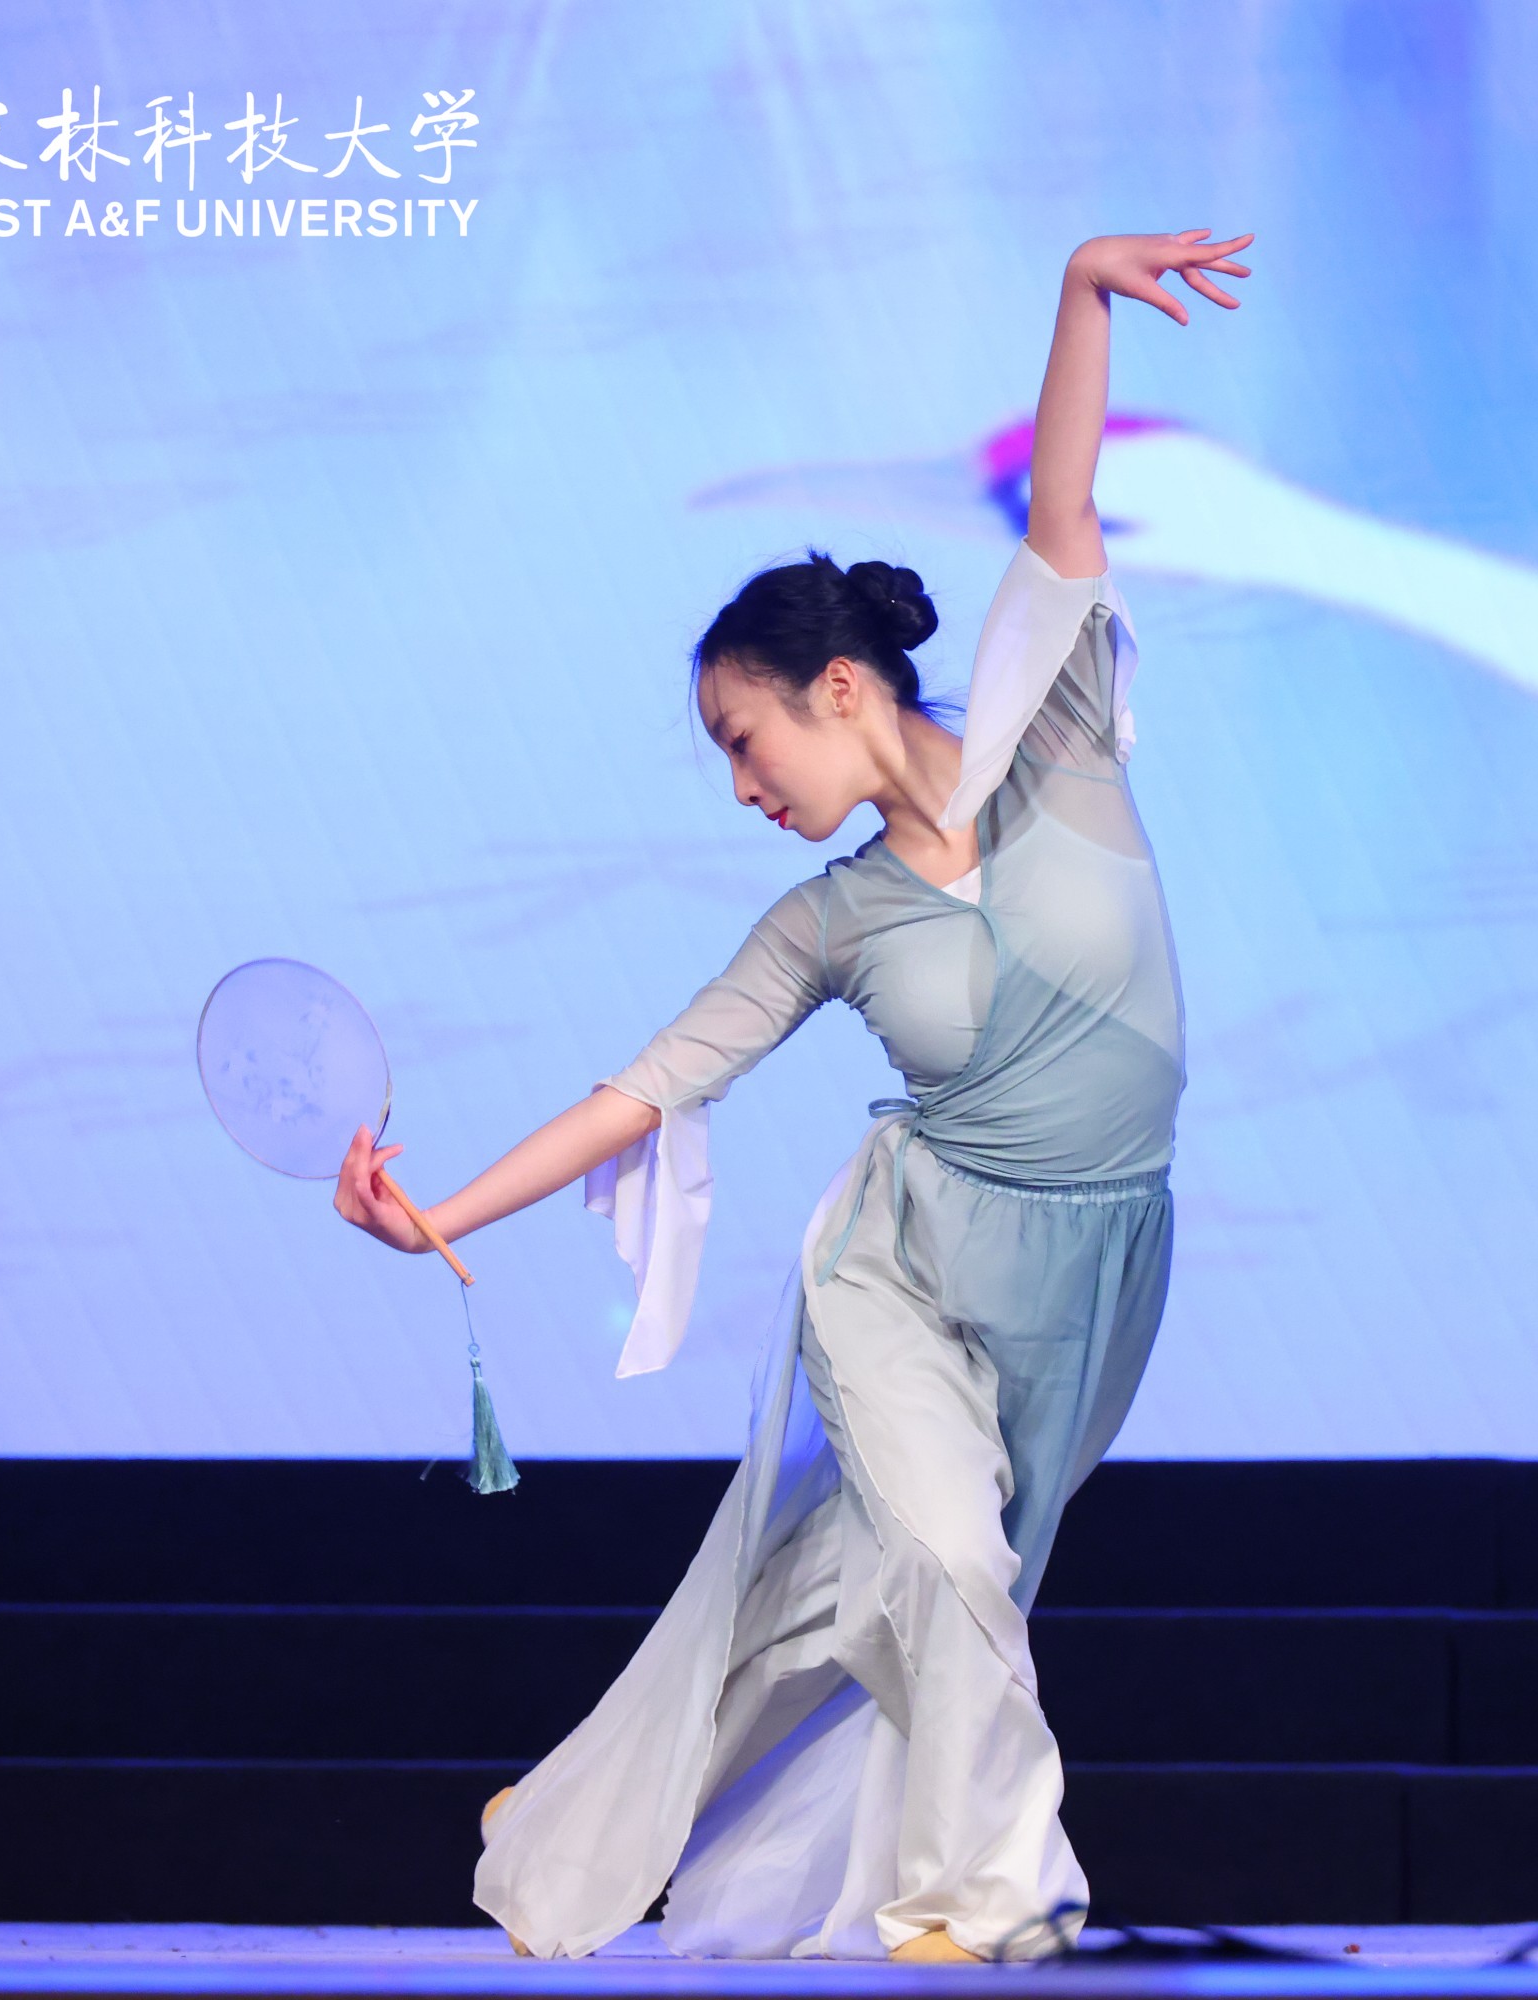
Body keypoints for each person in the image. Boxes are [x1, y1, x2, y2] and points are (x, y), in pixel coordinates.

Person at [333, 227, 1255, 1961]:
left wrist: (1078, 290)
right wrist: (433, 1214)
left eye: (743, 741)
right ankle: (980, 1904)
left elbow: (1062, 511)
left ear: (841, 689)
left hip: (1097, 1275)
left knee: (846, 1593)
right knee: (956, 1574)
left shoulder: (1055, 740)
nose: (742, 787)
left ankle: (574, 1813)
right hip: (908, 1274)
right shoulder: (825, 920)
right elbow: (644, 1089)